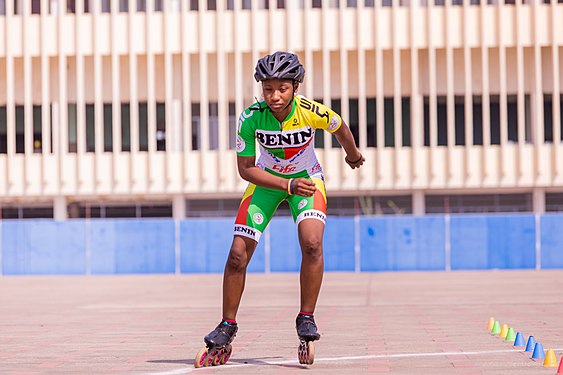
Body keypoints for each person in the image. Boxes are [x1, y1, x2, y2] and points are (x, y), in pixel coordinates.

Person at [195, 51, 364, 367]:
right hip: (268, 184)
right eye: (267, 88)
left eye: (282, 88)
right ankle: (227, 325)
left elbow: (340, 126)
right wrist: (286, 185)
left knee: (312, 243)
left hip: (307, 179)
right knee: (237, 254)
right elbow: (246, 169)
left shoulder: (311, 111)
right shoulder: (250, 118)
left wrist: (352, 154)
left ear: (296, 87)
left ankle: (306, 317)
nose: (274, 96)